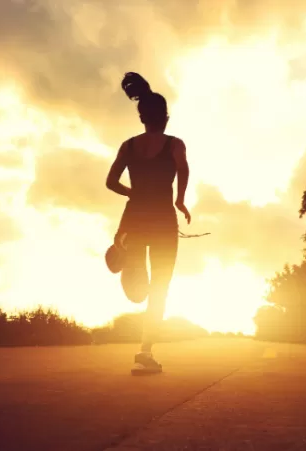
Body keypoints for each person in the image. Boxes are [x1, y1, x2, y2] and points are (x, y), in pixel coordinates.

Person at [105, 72, 191, 374]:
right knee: (160, 288)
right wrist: (179, 200)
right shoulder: (174, 144)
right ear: (166, 118)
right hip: (163, 222)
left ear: (142, 118)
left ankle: (129, 258)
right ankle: (145, 352)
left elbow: (111, 182)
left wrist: (134, 192)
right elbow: (183, 169)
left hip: (135, 219)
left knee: (139, 292)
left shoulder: (128, 146)